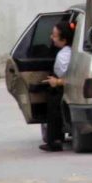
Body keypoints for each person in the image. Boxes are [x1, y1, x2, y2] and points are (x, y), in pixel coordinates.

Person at [39, 21, 74, 152]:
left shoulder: (63, 56)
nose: (51, 38)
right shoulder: (69, 51)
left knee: (54, 104)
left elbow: (73, 79)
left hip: (68, 89)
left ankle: (54, 140)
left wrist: (57, 82)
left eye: (54, 35)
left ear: (64, 39)